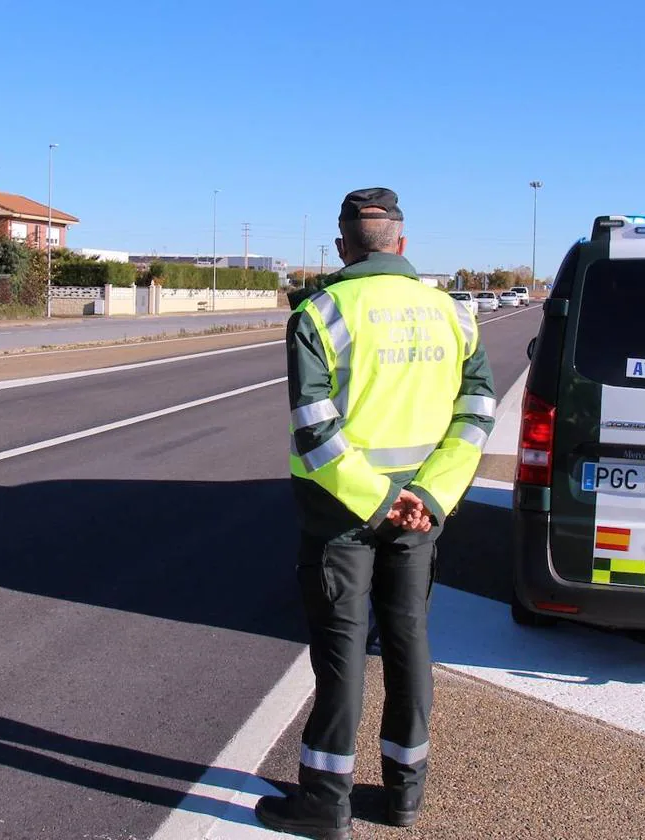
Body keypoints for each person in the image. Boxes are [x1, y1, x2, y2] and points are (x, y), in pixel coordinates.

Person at [255, 188, 496, 839]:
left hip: (340, 516)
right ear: (403, 244)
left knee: (340, 658)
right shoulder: (454, 314)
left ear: (342, 247)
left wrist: (380, 500)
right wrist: (431, 497)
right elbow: (476, 413)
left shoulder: (321, 313)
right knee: (410, 643)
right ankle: (404, 796)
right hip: (421, 517)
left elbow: (315, 430)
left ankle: (325, 803)